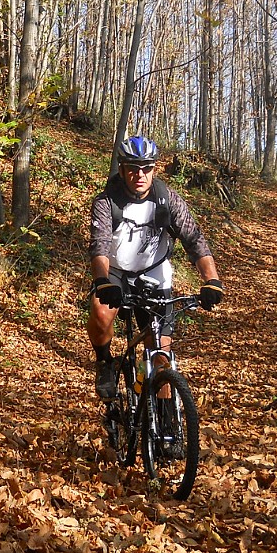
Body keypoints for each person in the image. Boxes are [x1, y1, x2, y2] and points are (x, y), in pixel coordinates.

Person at [87, 135, 223, 403]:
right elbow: (99, 245)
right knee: (101, 314)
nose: (140, 175)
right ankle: (104, 363)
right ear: (123, 169)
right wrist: (102, 281)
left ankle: (164, 424)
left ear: (154, 169)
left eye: (146, 168)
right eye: (133, 168)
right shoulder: (106, 202)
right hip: (115, 271)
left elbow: (194, 239)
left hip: (154, 273)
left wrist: (212, 280)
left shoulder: (167, 199)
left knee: (160, 356)